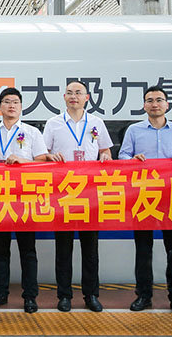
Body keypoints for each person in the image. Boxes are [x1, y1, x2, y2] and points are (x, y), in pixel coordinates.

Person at [118, 85, 172, 316]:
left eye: (159, 100)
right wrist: (133, 159)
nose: (154, 104)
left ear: (167, 104)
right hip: (143, 197)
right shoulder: (134, 130)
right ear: (144, 105)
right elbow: (122, 156)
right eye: (150, 100)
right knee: (143, 250)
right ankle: (144, 296)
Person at [42, 80, 112, 313]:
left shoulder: (97, 123)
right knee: (63, 248)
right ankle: (64, 296)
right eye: (70, 93)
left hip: (90, 194)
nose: (74, 96)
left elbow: (105, 150)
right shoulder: (53, 123)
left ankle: (91, 295)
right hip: (63, 194)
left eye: (78, 92)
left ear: (87, 98)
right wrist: (50, 157)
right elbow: (43, 155)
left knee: (90, 249)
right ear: (64, 97)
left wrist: (105, 156)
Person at [0, 87, 47, 314]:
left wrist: (22, 161)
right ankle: (0, 293)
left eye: (15, 102)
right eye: (7, 102)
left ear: (21, 106)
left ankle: (30, 296)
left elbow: (43, 162)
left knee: (27, 250)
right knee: (0, 249)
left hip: (25, 198)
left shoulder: (32, 132)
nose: (11, 106)